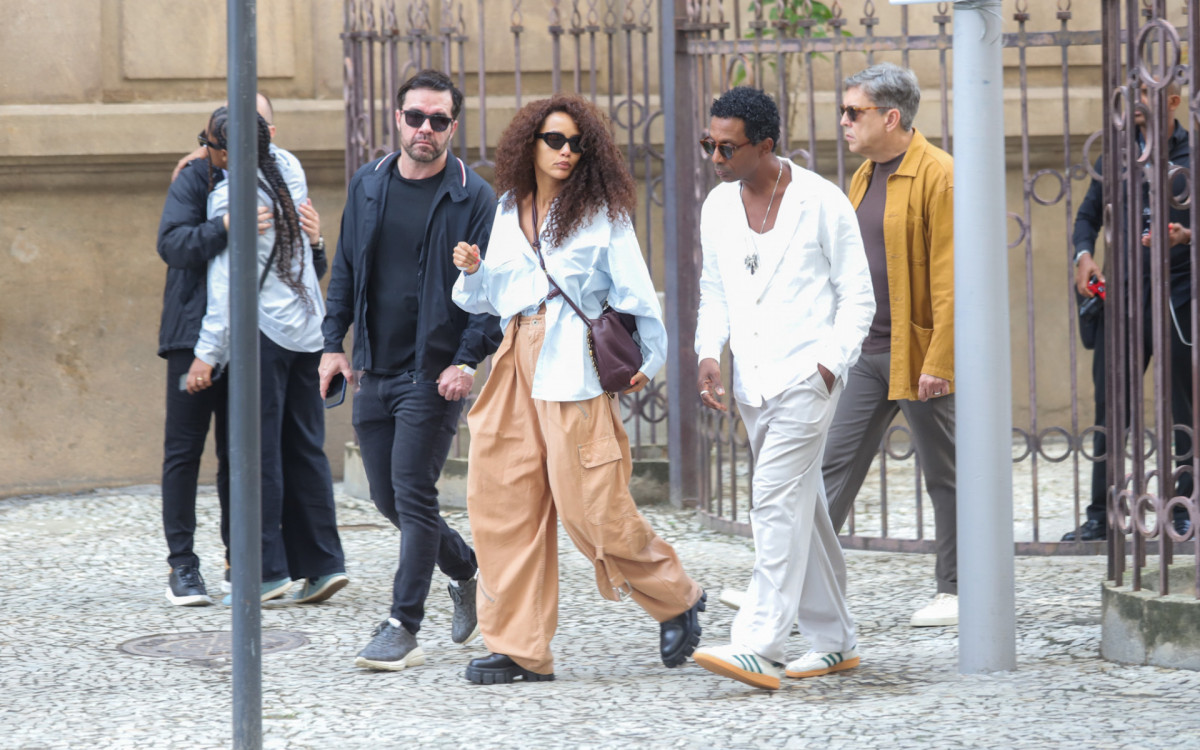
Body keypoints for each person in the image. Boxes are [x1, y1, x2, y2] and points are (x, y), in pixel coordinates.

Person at [451, 93, 706, 685]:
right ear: (529, 146)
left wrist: (651, 357)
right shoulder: (509, 207)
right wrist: (472, 272)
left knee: (591, 506)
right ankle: (520, 649)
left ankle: (677, 597)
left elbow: (637, 293)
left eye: (575, 143)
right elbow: (491, 299)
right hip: (516, 357)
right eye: (554, 141)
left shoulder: (601, 212)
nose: (566, 152)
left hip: (572, 364)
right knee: (501, 504)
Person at [690, 87, 874, 690]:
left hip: (805, 378)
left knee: (772, 497)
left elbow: (858, 296)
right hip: (753, 383)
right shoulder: (717, 206)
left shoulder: (821, 202)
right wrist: (707, 353)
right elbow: (714, 289)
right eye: (708, 144)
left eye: (727, 146)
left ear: (765, 145)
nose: (715, 156)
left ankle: (760, 643)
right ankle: (835, 640)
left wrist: (829, 365)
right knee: (805, 508)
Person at [320, 70, 501, 672]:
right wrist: (333, 345)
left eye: (439, 120)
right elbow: (344, 269)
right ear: (398, 119)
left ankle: (402, 624)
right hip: (375, 367)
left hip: (435, 372)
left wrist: (467, 360)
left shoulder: (473, 196)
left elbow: (491, 288)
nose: (425, 130)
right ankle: (467, 568)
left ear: (454, 125)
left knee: (414, 495)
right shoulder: (369, 185)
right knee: (386, 498)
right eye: (415, 117)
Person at [155, 93, 322, 606]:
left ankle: (239, 561)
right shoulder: (195, 179)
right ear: (216, 142)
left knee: (238, 455)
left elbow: (299, 273)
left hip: (252, 339)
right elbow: (173, 245)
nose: (260, 137)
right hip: (192, 336)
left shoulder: (282, 180)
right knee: (183, 452)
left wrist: (317, 244)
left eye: (265, 125)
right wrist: (226, 227)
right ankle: (182, 566)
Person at [189, 109, 349, 606]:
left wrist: (205, 355)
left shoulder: (230, 198)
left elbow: (226, 288)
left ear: (227, 151)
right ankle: (323, 566)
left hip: (263, 335)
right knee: (305, 450)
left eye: (212, 145)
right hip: (305, 331)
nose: (207, 154)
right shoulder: (290, 171)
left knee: (256, 455)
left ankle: (265, 571)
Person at [825, 63, 958, 627]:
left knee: (945, 472)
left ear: (892, 116)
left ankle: (958, 590)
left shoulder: (939, 175)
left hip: (921, 354)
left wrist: (941, 360)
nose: (845, 121)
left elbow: (954, 280)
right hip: (867, 352)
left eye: (855, 111)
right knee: (830, 464)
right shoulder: (862, 177)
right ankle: (788, 580)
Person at [1063, 80, 1194, 542]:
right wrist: (1083, 254)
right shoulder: (1115, 159)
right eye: (1130, 95)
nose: (1134, 105)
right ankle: (1101, 516)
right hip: (1122, 297)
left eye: (1146, 95)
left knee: (1185, 407)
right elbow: (1086, 217)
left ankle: (1184, 511)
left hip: (1178, 296)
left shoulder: (1192, 158)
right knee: (1110, 408)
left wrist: (1186, 236)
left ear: (1172, 102)